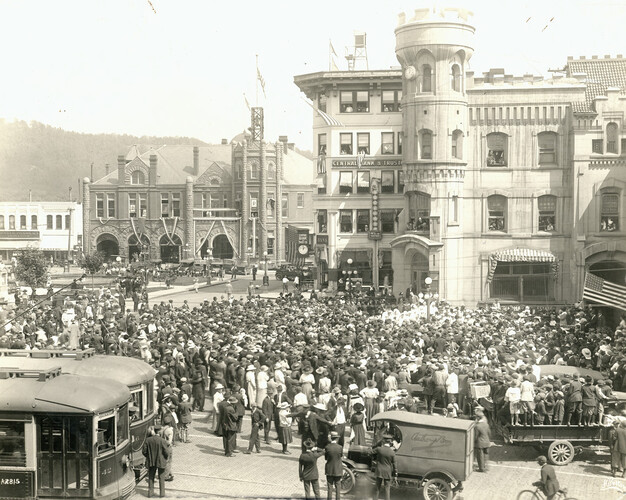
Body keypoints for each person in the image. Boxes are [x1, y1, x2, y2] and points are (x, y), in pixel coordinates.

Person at [142, 426, 170, 498]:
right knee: (161, 477)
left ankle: (150, 493)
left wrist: (148, 457)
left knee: (151, 477)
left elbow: (144, 451)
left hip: (151, 461)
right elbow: (166, 452)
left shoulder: (148, 440)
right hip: (161, 461)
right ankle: (162, 494)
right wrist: (165, 458)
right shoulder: (162, 441)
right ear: (160, 432)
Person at [372, 434, 397, 500]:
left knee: (377, 488)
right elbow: (394, 464)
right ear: (390, 442)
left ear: (383, 441)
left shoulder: (379, 449)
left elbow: (370, 452)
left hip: (379, 470)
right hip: (387, 472)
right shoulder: (392, 452)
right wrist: (395, 473)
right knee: (387, 489)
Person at [325, 431, 343, 500]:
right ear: (337, 439)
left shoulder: (327, 447)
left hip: (329, 469)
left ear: (331, 438)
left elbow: (326, 458)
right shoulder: (340, 447)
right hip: (338, 469)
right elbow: (340, 456)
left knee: (330, 487)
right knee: (338, 487)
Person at [474, 408, 491, 472]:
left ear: (478, 418)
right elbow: (489, 433)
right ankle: (486, 467)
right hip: (487, 442)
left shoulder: (477, 426)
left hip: (480, 443)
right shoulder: (486, 424)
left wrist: (474, 442)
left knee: (480, 456)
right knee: (486, 455)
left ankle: (481, 468)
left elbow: (476, 436)